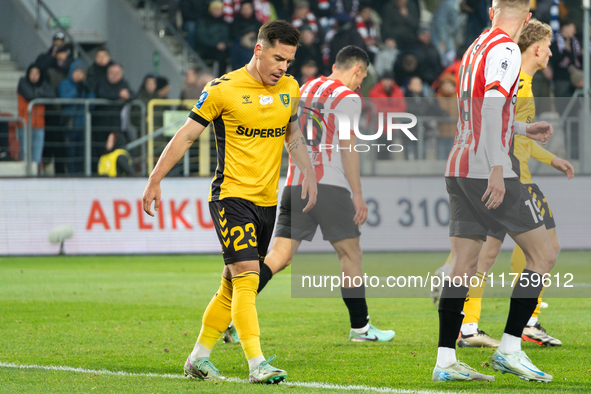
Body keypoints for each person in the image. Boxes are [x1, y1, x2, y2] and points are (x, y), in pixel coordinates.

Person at [142, 20, 317, 383]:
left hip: (267, 202)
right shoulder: (223, 89)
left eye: (289, 60)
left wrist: (310, 174)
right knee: (247, 277)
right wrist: (155, 179)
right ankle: (257, 364)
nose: (283, 67)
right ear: (259, 50)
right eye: (278, 58)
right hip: (231, 197)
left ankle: (197, 358)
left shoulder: (290, 88)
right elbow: (186, 135)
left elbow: (293, 135)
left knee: (230, 285)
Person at [224, 46, 395, 344]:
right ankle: (361, 328)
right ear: (357, 70)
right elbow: (348, 146)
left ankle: (230, 316)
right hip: (329, 186)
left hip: (295, 183)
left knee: (278, 256)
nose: (360, 83)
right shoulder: (349, 98)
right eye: (362, 77)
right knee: (351, 255)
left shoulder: (305, 87)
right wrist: (357, 193)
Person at [434, 0, 556, 383]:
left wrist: (521, 131)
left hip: (458, 163)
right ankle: (509, 349)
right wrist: (499, 168)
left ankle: (445, 361)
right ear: (527, 17)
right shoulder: (506, 48)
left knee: (463, 266)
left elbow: (478, 113)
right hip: (485, 168)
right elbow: (489, 111)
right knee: (544, 254)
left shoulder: (475, 47)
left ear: (491, 11)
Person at [58, 60, 94, 175]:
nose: (79, 75)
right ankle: (71, 174)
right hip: (70, 125)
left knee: (81, 153)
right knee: (70, 152)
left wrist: (88, 91)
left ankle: (80, 174)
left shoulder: (85, 86)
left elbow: (92, 104)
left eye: (81, 72)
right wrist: (76, 91)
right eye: (76, 71)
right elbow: (64, 99)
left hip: (83, 125)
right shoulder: (64, 84)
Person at [17, 64, 56, 168]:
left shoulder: (43, 84)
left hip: (39, 125)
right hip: (24, 125)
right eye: (32, 73)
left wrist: (37, 93)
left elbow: (52, 95)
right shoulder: (23, 82)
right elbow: (29, 95)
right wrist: (40, 94)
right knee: (24, 157)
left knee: (37, 158)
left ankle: (34, 179)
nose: (34, 76)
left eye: (37, 73)